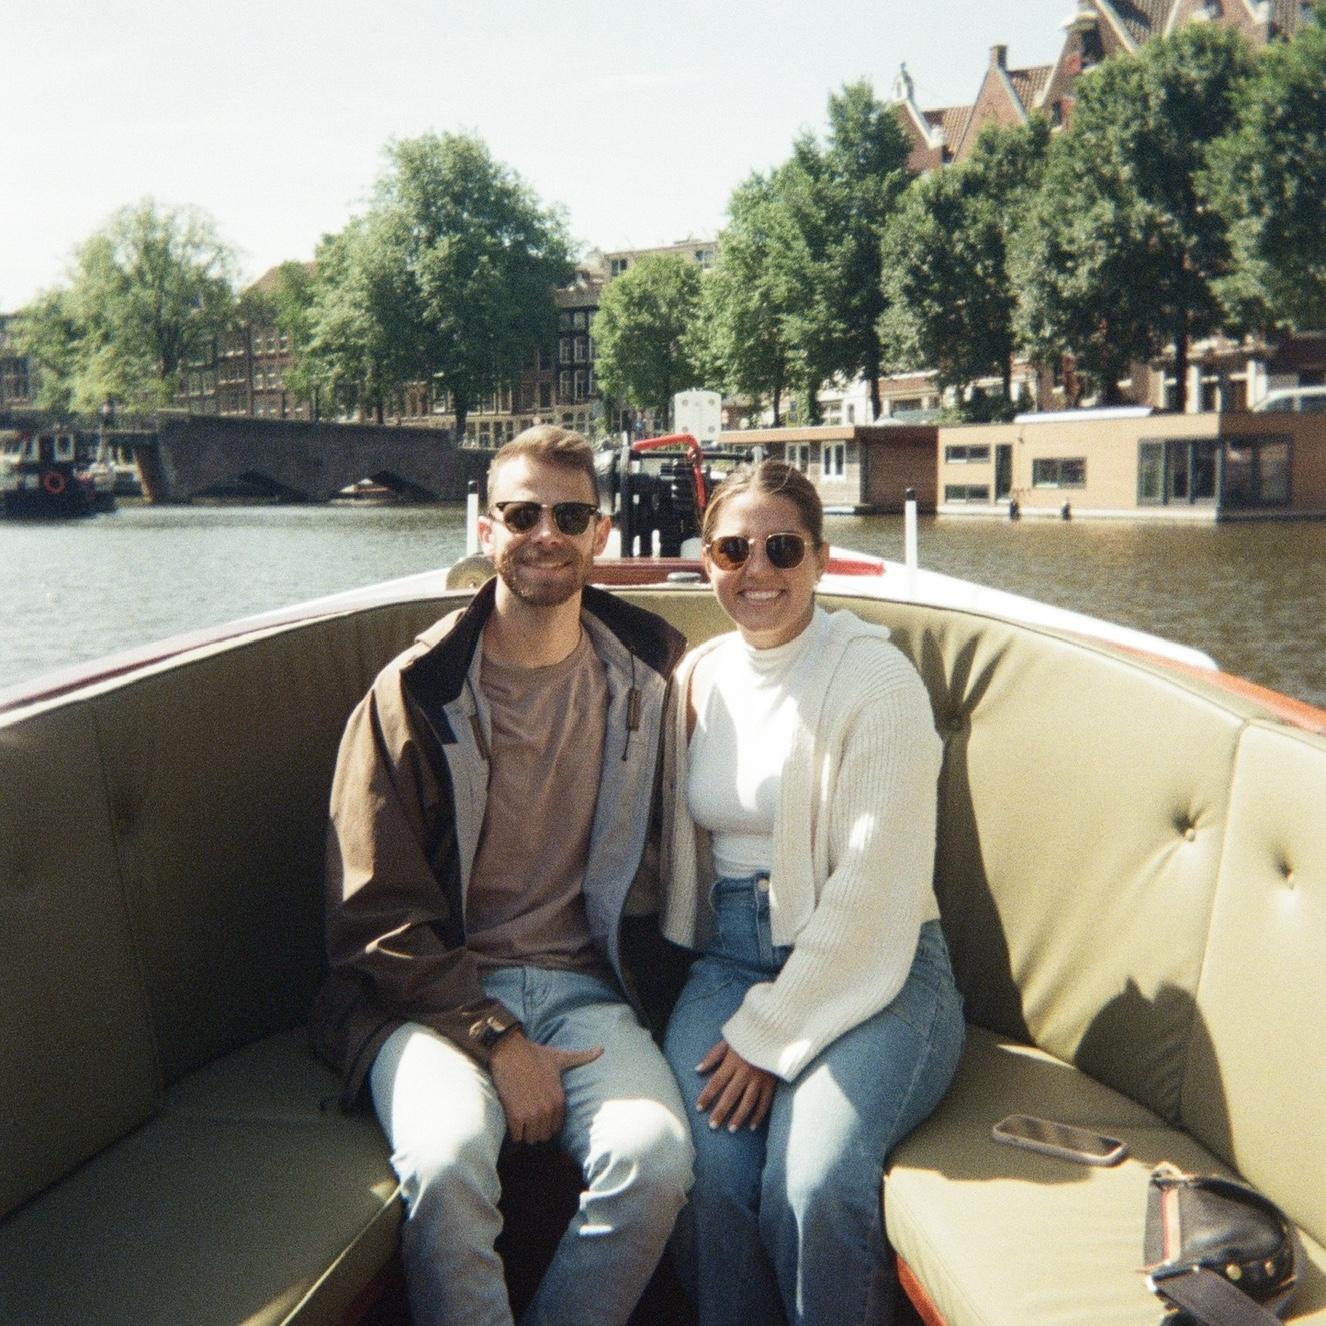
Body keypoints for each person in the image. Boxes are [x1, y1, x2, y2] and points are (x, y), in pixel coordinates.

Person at [310, 426, 694, 1326]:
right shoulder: (413, 694)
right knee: (446, 1166)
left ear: (601, 534)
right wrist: (496, 1037)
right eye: (522, 514)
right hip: (433, 1001)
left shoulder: (651, 674)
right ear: (487, 532)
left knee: (658, 1159)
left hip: (591, 991)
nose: (546, 534)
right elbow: (372, 916)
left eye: (569, 515)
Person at [659, 460, 965, 1326]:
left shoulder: (876, 681)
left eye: (781, 548)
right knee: (704, 1176)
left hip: (883, 970)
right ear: (707, 560)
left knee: (814, 1178)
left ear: (821, 561)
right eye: (732, 549)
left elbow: (874, 891)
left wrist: (770, 1035)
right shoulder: (702, 676)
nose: (756, 570)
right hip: (729, 959)